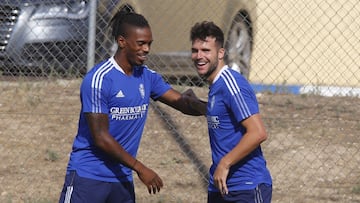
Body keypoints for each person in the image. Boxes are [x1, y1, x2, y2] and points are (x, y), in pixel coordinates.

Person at [59, 10, 206, 203]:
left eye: (149, 44)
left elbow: (181, 103)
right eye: (141, 43)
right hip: (89, 177)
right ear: (122, 42)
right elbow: (101, 137)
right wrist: (140, 168)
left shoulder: (147, 76)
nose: (146, 49)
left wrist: (215, 108)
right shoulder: (99, 79)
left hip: (121, 178)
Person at [190, 21, 272, 203]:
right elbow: (224, 114)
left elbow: (258, 132)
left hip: (247, 187)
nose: (199, 56)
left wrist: (225, 163)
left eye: (206, 50)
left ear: (221, 53)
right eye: (195, 50)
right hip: (221, 186)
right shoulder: (216, 85)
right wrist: (197, 105)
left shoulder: (231, 84)